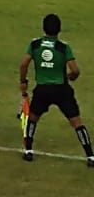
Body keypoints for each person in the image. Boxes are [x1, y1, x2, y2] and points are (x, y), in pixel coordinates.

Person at [19, 13, 94, 165]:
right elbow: (75, 70)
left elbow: (23, 64)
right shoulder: (63, 47)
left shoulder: (35, 45)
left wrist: (23, 81)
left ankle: (28, 151)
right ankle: (90, 156)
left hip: (42, 89)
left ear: (43, 28)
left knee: (32, 118)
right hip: (61, 89)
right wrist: (70, 77)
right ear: (59, 29)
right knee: (77, 123)